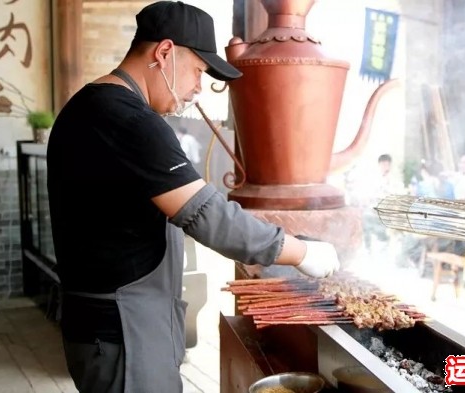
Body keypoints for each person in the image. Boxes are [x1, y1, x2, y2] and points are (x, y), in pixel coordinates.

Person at [46, 2, 340, 393]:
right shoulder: (127, 119)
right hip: (123, 329)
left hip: (109, 323)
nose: (198, 88)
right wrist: (301, 253)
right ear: (164, 53)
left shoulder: (89, 105)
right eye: (198, 71)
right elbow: (207, 215)